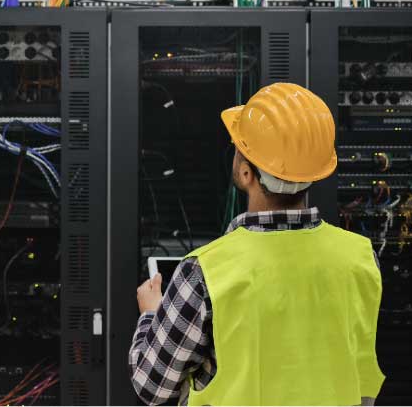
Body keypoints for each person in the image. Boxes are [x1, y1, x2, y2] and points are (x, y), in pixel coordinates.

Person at [129, 83, 384, 406]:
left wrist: (152, 314)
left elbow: (151, 387)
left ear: (247, 172)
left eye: (239, 147)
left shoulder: (204, 272)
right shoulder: (362, 258)